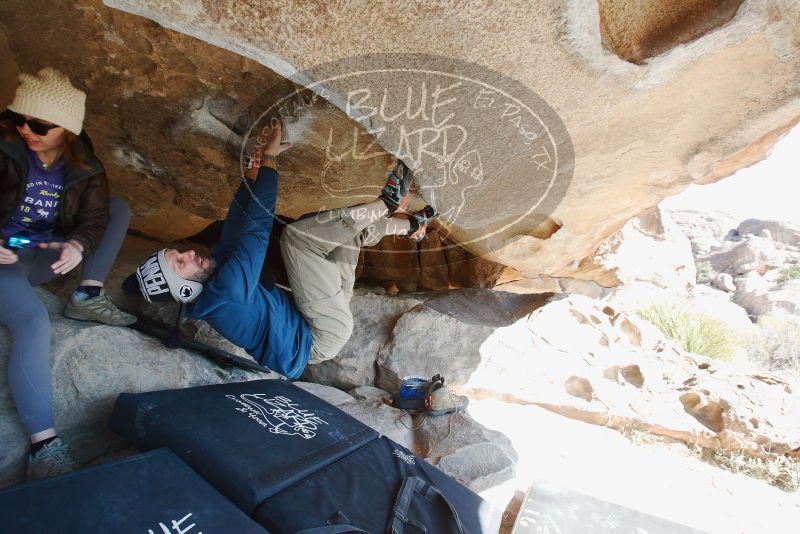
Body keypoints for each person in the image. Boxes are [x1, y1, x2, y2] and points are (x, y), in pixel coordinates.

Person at [123, 119, 435, 379]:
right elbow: (256, 230)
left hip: (324, 311)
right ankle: (387, 202)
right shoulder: (226, 293)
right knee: (299, 238)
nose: (188, 253)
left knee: (343, 232)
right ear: (185, 289)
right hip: (320, 333)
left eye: (177, 253)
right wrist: (270, 162)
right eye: (180, 263)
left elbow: (235, 226)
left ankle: (412, 227)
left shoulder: (214, 277)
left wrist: (254, 166)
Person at [0, 68, 135, 480]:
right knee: (34, 323)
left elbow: (95, 216)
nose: (26, 129)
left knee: (118, 209)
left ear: (68, 130)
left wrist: (78, 245)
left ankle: (87, 296)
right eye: (20, 118)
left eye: (40, 124)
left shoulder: (85, 165)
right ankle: (43, 448)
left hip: (42, 253)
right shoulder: (5, 147)